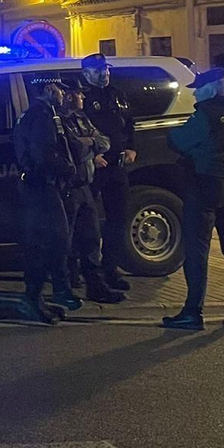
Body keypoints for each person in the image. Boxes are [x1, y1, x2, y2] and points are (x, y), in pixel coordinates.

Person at [163, 68, 224, 330]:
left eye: (199, 89)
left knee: (197, 249)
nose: (195, 95)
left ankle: (192, 312)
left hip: (206, 184)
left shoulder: (205, 115)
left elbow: (178, 141)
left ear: (211, 89)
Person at [11, 79, 85, 324]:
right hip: (41, 185)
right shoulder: (41, 116)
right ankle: (33, 298)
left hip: (40, 185)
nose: (64, 93)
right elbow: (44, 154)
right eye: (60, 89)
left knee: (48, 241)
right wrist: (69, 169)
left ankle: (42, 296)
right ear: (47, 90)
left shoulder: (40, 114)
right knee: (52, 240)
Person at [58, 85, 126, 303]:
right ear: (68, 96)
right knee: (65, 239)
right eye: (79, 93)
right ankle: (66, 285)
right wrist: (89, 144)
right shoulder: (58, 120)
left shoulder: (81, 119)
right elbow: (73, 148)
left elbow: (105, 142)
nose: (83, 96)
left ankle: (96, 287)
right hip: (67, 187)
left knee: (91, 237)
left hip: (85, 185)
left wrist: (90, 143)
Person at [79, 53, 137, 293]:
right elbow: (78, 131)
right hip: (96, 167)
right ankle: (88, 272)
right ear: (86, 74)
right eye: (98, 70)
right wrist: (92, 154)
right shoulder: (83, 98)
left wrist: (132, 147)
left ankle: (110, 269)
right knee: (88, 222)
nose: (104, 74)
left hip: (117, 166)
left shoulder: (117, 94)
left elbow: (129, 123)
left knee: (118, 220)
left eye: (105, 69)